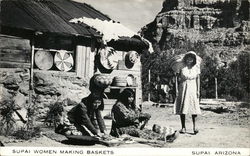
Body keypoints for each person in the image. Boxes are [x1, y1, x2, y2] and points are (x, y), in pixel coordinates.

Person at [110, 88, 178, 142]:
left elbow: (138, 113)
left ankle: (165, 137)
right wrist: (140, 116)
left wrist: (144, 116)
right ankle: (163, 139)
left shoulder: (130, 105)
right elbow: (127, 117)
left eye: (132, 97)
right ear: (124, 97)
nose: (131, 99)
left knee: (146, 131)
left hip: (132, 126)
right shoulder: (119, 106)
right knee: (138, 132)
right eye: (129, 97)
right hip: (120, 129)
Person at [174, 51, 201, 135]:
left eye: (191, 58)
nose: (190, 60)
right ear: (186, 59)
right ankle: (183, 127)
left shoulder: (196, 68)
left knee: (194, 107)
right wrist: (176, 90)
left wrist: (198, 90)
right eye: (188, 58)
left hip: (193, 87)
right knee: (183, 107)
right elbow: (176, 79)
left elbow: (198, 79)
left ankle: (195, 127)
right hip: (183, 86)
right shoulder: (182, 67)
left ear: (194, 59)